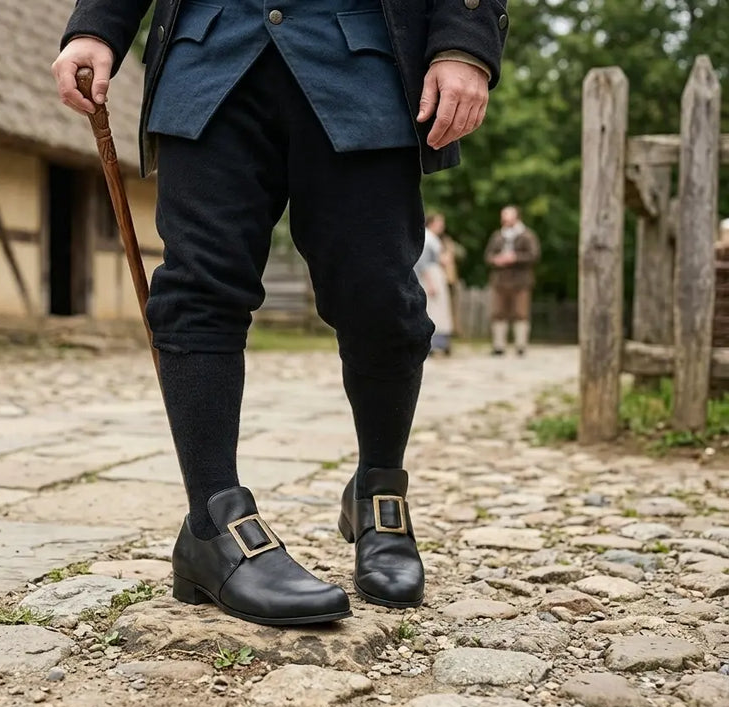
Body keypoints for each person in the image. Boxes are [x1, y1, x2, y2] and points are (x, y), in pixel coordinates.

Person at [54, 0, 508, 625]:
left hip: (361, 62)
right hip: (210, 56)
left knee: (382, 300)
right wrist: (96, 25)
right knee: (196, 290)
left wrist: (464, 43)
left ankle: (378, 490)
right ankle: (212, 520)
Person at [484, 205, 540, 356]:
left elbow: (534, 255)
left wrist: (515, 258)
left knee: (520, 312)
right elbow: (488, 255)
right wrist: (496, 260)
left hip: (520, 280)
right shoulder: (498, 236)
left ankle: (520, 345)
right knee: (498, 312)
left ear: (516, 217)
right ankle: (499, 346)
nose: (505, 220)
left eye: (508, 216)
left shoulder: (527, 235)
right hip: (500, 280)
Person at [415, 212, 454, 356]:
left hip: (437, 274)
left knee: (440, 310)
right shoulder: (428, 239)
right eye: (439, 223)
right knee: (433, 310)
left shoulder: (436, 239)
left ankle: (442, 342)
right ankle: (433, 344)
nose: (442, 226)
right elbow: (423, 263)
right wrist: (430, 283)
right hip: (431, 276)